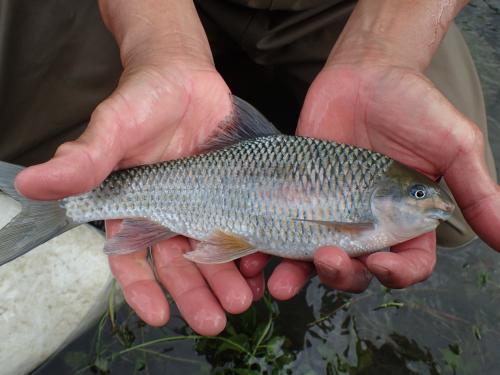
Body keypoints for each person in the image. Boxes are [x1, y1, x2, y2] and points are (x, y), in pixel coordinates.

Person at [1, 0, 498, 336]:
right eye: (416, 196)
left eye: (418, 197)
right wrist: (162, 45)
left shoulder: (381, 214)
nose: (428, 201)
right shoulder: (364, 224)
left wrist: (387, 51)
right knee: (35, 146)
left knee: (452, 225)